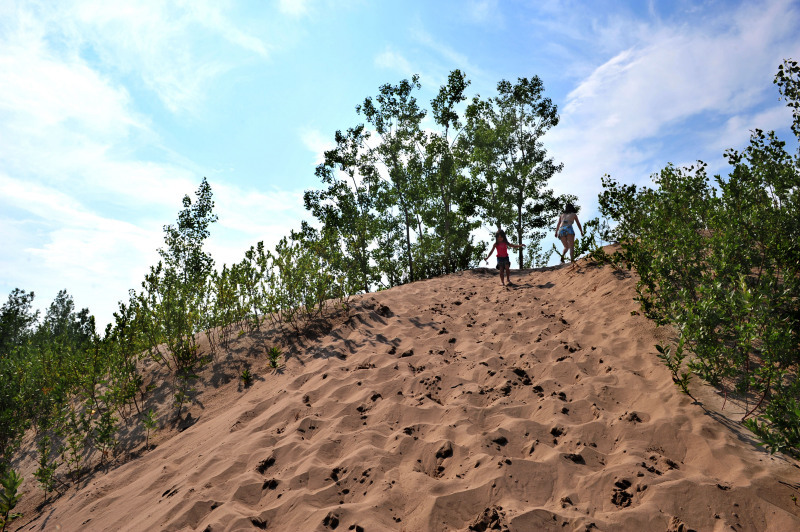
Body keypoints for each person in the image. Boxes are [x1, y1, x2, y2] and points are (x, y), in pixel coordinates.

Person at [555, 203, 583, 269]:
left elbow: (558, 224)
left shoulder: (562, 215)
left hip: (561, 230)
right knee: (571, 246)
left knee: (566, 246)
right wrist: (581, 231)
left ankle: (562, 256)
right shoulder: (573, 214)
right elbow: (578, 223)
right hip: (568, 228)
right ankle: (572, 260)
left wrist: (556, 232)